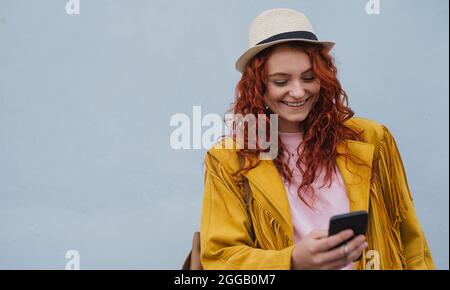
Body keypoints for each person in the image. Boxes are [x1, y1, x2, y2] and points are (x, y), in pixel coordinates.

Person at [199, 8, 434, 270]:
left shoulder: (372, 139)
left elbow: (411, 241)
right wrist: (292, 261)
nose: (298, 91)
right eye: (281, 81)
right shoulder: (230, 159)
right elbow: (220, 258)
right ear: (259, 87)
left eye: (309, 78)